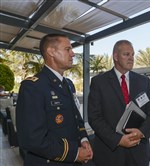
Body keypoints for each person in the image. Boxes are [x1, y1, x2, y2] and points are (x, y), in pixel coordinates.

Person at [16, 34, 93, 165]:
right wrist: (74, 153)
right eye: (67, 49)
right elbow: (32, 139)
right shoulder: (32, 86)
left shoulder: (68, 83)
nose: (73, 54)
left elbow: (76, 118)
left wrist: (84, 139)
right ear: (51, 52)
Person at [88, 40, 150, 166]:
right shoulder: (99, 82)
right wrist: (118, 140)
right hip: (110, 154)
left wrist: (142, 132)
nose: (131, 58)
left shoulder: (143, 81)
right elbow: (94, 118)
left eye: (132, 55)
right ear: (115, 56)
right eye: (126, 54)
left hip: (139, 154)